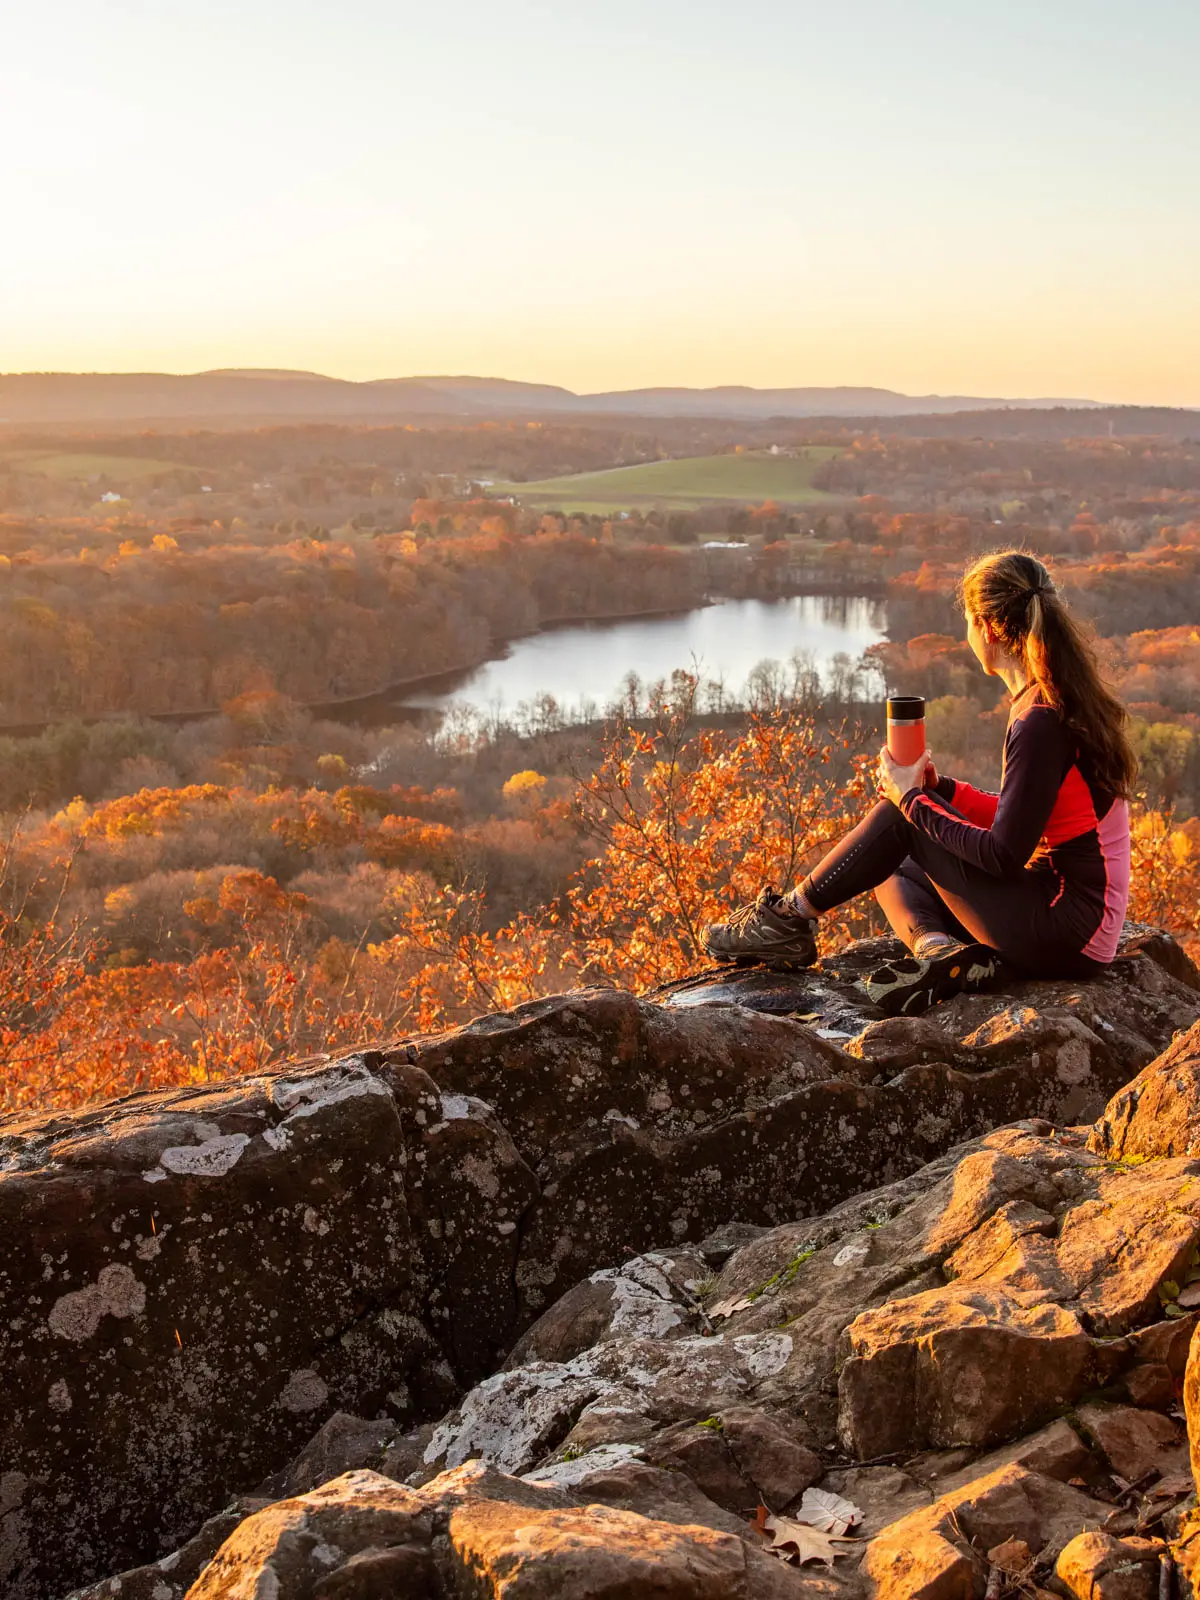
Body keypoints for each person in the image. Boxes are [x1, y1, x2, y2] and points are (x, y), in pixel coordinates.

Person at [705, 550, 1136, 1015]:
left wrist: (910, 799)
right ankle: (939, 951)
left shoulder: (1039, 720)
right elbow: (1023, 816)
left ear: (988, 628)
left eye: (968, 621)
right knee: (892, 858)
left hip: (1067, 932)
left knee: (902, 821)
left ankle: (786, 919)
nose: (968, 634)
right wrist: (942, 791)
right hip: (1076, 924)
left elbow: (1004, 855)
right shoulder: (1056, 697)